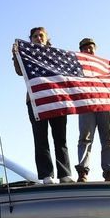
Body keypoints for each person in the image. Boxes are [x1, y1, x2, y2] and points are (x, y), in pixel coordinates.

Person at [12, 27, 73, 184]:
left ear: (47, 38)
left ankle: (65, 174)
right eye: (35, 36)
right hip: (35, 100)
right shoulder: (26, 54)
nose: (38, 38)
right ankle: (47, 175)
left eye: (41, 36)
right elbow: (20, 71)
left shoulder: (56, 56)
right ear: (30, 40)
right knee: (40, 138)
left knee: (60, 138)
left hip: (57, 99)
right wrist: (15, 55)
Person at [75, 38, 110, 182]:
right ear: (81, 50)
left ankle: (109, 172)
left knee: (108, 139)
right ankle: (82, 172)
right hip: (87, 105)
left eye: (91, 47)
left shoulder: (105, 65)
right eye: (85, 48)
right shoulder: (77, 65)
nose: (88, 50)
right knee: (85, 138)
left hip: (105, 104)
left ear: (95, 49)